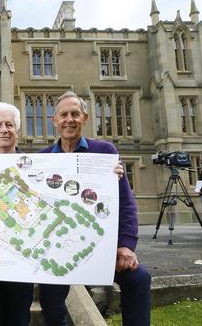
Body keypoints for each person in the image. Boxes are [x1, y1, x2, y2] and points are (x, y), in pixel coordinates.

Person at [38, 91, 151, 326]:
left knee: (139, 278)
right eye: (64, 115)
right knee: (51, 298)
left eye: (75, 114)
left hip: (97, 248)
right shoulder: (42, 158)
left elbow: (126, 203)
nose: (70, 119)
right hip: (58, 249)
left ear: (85, 118)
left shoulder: (105, 152)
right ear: (55, 120)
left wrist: (126, 246)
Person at [0, 102, 33, 326]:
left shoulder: (36, 168)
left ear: (17, 132)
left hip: (21, 261)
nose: (4, 129)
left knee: (18, 320)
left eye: (9, 125)